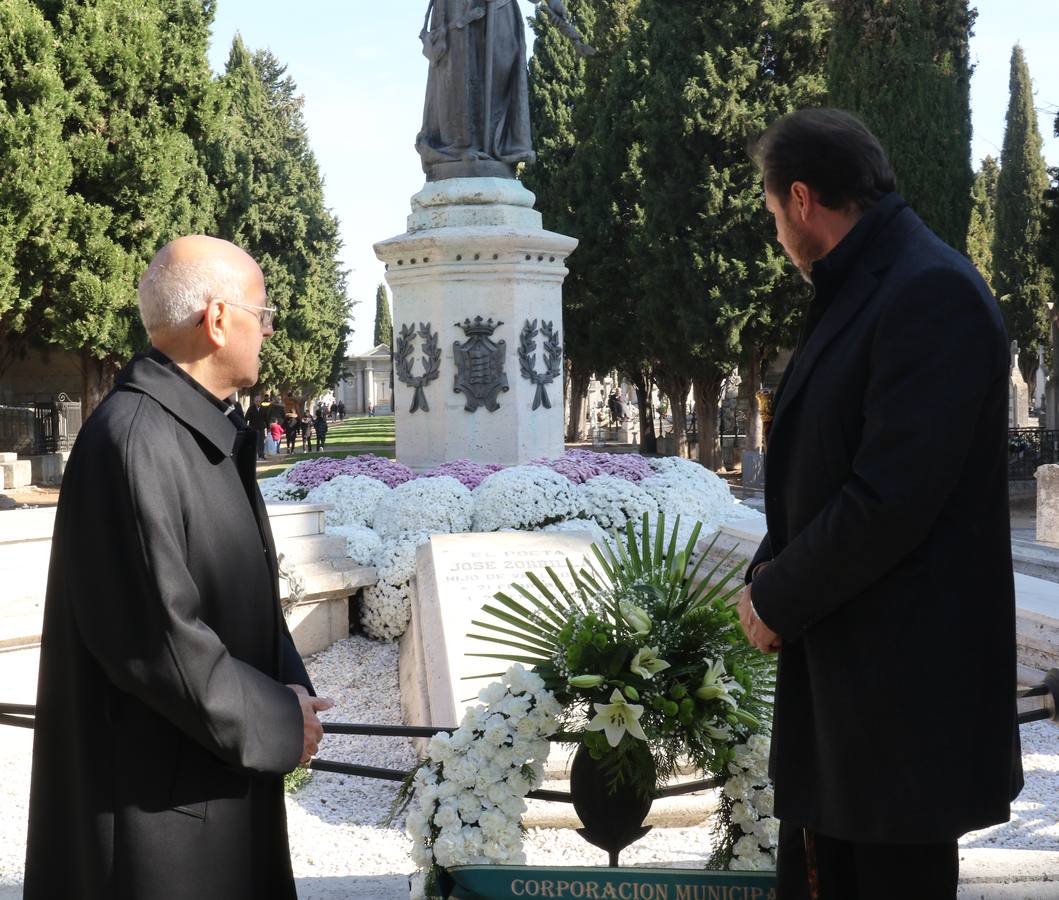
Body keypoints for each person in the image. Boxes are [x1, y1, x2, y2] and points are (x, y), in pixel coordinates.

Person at [738, 109, 1022, 899]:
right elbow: (827, 465)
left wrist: (779, 595)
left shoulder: (928, 290)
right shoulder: (865, 283)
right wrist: (771, 569)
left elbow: (891, 497)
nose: (775, 233)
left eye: (770, 213)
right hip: (851, 692)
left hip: (899, 705)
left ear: (801, 199)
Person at [24, 235, 334, 900]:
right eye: (263, 313)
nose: (269, 330)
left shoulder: (193, 430)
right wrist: (278, 720)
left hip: (206, 782)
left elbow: (242, 591)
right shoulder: (136, 440)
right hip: (159, 821)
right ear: (219, 320)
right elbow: (160, 641)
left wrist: (291, 689)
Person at [246, 394, 269, 460]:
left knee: (261, 442)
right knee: (254, 442)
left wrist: (268, 427)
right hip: (253, 428)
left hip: (261, 428)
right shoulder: (251, 408)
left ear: (261, 401)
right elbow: (246, 418)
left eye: (259, 401)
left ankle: (261, 455)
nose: (258, 402)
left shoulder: (264, 408)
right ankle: (253, 456)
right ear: (254, 401)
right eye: (256, 401)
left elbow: (266, 418)